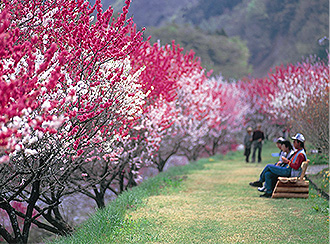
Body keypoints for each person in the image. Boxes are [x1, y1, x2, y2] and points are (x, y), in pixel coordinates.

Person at [249, 133, 307, 198]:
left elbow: (296, 166)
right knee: (268, 173)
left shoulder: (300, 154)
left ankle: (260, 181)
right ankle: (268, 192)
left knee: (268, 166)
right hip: (288, 170)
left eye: (295, 141)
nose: (293, 143)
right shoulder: (298, 152)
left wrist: (287, 161)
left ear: (299, 143)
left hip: (290, 172)